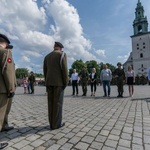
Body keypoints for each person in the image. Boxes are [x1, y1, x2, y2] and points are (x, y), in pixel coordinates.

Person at [43, 42, 68, 130]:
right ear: (60, 48)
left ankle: (51, 123)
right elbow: (64, 70)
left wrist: (47, 82)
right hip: (59, 83)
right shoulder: (62, 55)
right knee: (57, 103)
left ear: (54, 47)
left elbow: (45, 71)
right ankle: (56, 124)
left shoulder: (47, 56)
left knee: (50, 104)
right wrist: (65, 82)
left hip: (49, 82)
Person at [0, 34, 17, 132]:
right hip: (3, 88)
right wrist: (11, 89)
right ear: (6, 43)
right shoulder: (5, 52)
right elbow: (7, 72)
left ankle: (4, 125)